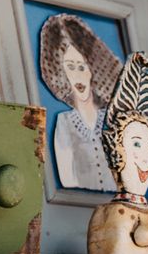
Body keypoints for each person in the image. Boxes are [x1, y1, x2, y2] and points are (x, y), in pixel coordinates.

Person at [37, 12, 123, 193]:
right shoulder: (65, 123)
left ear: (93, 70)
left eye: (81, 66)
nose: (77, 74)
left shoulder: (113, 122)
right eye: (70, 67)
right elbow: (66, 182)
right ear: (60, 72)